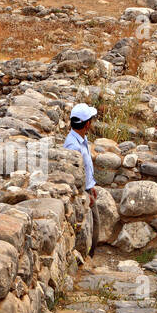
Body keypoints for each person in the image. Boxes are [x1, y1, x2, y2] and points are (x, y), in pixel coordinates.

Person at [64, 102, 99, 255]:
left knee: (94, 224)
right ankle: (89, 256)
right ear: (87, 124)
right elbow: (73, 175)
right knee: (90, 226)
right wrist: (85, 194)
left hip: (87, 189)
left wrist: (91, 186)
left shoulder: (81, 140)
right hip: (82, 194)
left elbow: (85, 168)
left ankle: (90, 254)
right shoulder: (73, 146)